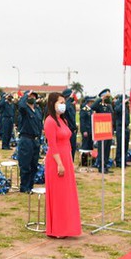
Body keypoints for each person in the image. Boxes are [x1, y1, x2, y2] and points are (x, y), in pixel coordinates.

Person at [43, 92, 81, 238]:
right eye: (60, 102)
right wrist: (59, 164)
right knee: (59, 195)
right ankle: (57, 229)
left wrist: (68, 161)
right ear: (53, 104)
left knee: (67, 195)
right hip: (56, 160)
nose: (63, 105)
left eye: (64, 102)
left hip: (66, 158)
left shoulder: (62, 120)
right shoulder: (50, 121)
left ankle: (67, 227)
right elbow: (52, 145)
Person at [17, 90, 43, 192]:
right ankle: (24, 186)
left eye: (34, 96)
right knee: (25, 164)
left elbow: (40, 124)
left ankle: (30, 185)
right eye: (30, 96)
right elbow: (21, 105)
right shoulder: (24, 110)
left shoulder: (38, 110)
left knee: (34, 165)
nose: (32, 98)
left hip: (35, 140)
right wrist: (25, 96)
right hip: (26, 139)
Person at [91, 89, 114, 174]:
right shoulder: (99, 105)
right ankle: (101, 166)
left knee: (107, 149)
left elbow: (112, 116)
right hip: (101, 130)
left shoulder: (109, 105)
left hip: (108, 130)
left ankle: (106, 165)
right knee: (102, 149)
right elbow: (92, 107)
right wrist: (101, 98)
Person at [113, 95, 131, 167]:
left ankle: (124, 160)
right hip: (120, 127)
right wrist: (122, 103)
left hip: (126, 127)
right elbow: (117, 110)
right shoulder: (118, 105)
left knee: (125, 146)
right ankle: (119, 161)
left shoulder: (125, 107)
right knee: (120, 145)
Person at [79, 96, 95, 167]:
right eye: (91, 102)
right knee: (85, 146)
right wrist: (84, 130)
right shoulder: (84, 110)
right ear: (89, 102)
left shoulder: (91, 110)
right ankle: (84, 162)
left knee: (90, 146)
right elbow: (82, 121)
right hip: (86, 130)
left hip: (91, 130)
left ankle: (89, 161)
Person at [62, 89, 78, 160]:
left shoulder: (71, 106)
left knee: (73, 149)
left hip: (73, 131)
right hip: (67, 131)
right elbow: (66, 108)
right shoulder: (64, 106)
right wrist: (70, 98)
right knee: (67, 151)